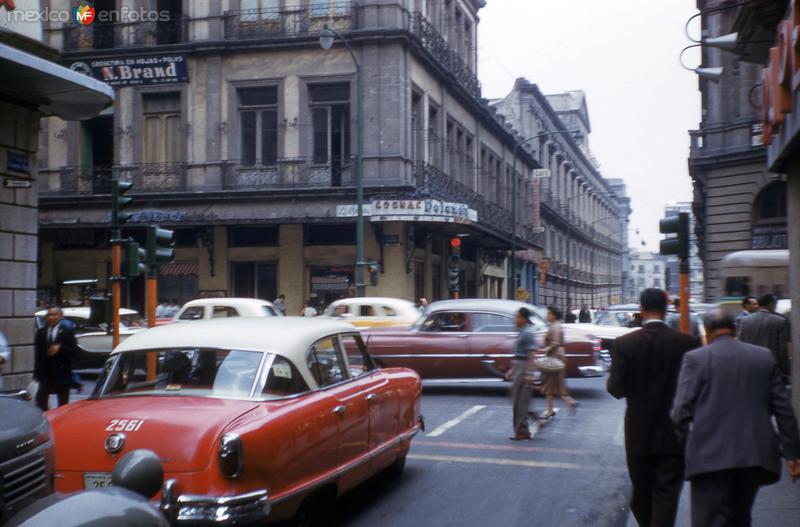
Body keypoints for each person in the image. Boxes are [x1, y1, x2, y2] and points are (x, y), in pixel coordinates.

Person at [671, 309, 800, 527]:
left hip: (708, 458)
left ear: (708, 332)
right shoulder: (763, 356)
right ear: (734, 329)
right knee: (740, 518)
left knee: (708, 520)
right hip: (753, 457)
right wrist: (792, 454)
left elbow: (681, 412)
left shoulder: (696, 359)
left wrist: (684, 450)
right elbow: (783, 409)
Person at [607, 288, 701, 527]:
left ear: (641, 309)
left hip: (638, 432)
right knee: (667, 493)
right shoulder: (687, 343)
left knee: (641, 492)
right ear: (667, 307)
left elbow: (616, 389)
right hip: (674, 431)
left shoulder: (624, 344)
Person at [738, 293, 791, 385]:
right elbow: (782, 350)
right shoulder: (780, 322)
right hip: (772, 370)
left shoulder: (745, 321)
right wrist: (786, 371)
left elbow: (739, 345)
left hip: (750, 369)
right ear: (771, 304)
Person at [34, 305, 78, 411]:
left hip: (62, 373)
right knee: (41, 399)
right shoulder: (41, 332)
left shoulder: (67, 332)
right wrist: (36, 373)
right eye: (49, 315)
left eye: (54, 315)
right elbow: (38, 354)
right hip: (46, 373)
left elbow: (74, 351)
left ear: (60, 316)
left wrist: (60, 348)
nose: (51, 317)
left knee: (63, 403)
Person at [540, 305, 576, 419]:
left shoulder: (555, 327)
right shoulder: (555, 325)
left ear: (553, 315)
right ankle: (568, 402)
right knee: (555, 384)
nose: (547, 316)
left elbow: (554, 343)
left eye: (548, 313)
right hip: (558, 355)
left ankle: (552, 409)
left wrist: (542, 350)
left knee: (551, 383)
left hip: (555, 356)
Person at [507, 307, 537, 441]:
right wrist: (512, 370)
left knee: (521, 402)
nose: (515, 319)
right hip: (519, 366)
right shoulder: (522, 332)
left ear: (524, 319)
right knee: (518, 401)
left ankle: (522, 431)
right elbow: (519, 353)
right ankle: (523, 430)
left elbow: (531, 355)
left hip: (524, 368)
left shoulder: (528, 333)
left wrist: (530, 373)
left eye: (518, 317)